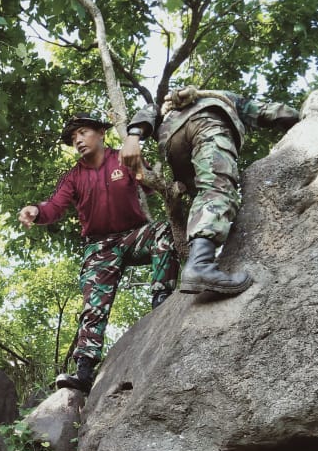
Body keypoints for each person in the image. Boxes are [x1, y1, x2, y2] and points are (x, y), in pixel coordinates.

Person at [18, 112, 179, 394]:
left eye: (82, 132)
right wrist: (36, 210)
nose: (77, 140)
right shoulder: (73, 176)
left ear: (101, 133)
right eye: (73, 138)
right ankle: (84, 369)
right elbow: (54, 206)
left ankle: (162, 304)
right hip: (100, 245)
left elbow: (152, 184)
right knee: (94, 302)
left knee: (164, 231)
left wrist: (139, 161)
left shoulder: (121, 158)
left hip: (133, 235)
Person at [120, 86, 300, 295]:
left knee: (204, 195)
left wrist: (133, 135)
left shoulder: (169, 109)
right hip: (207, 124)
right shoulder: (223, 97)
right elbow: (266, 111)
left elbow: (150, 111)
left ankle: (201, 255)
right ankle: (200, 265)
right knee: (217, 186)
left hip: (172, 144)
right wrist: (302, 118)